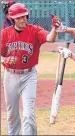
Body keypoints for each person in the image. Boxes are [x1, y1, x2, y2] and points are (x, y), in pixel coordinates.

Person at [1, 3, 61, 135]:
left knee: (28, 113)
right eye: (18, 18)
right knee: (12, 113)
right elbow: (2, 55)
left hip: (29, 75)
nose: (22, 20)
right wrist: (3, 60)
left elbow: (49, 38)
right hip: (10, 76)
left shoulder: (35, 30)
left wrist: (54, 29)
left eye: (24, 16)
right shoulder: (5, 34)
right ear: (12, 19)